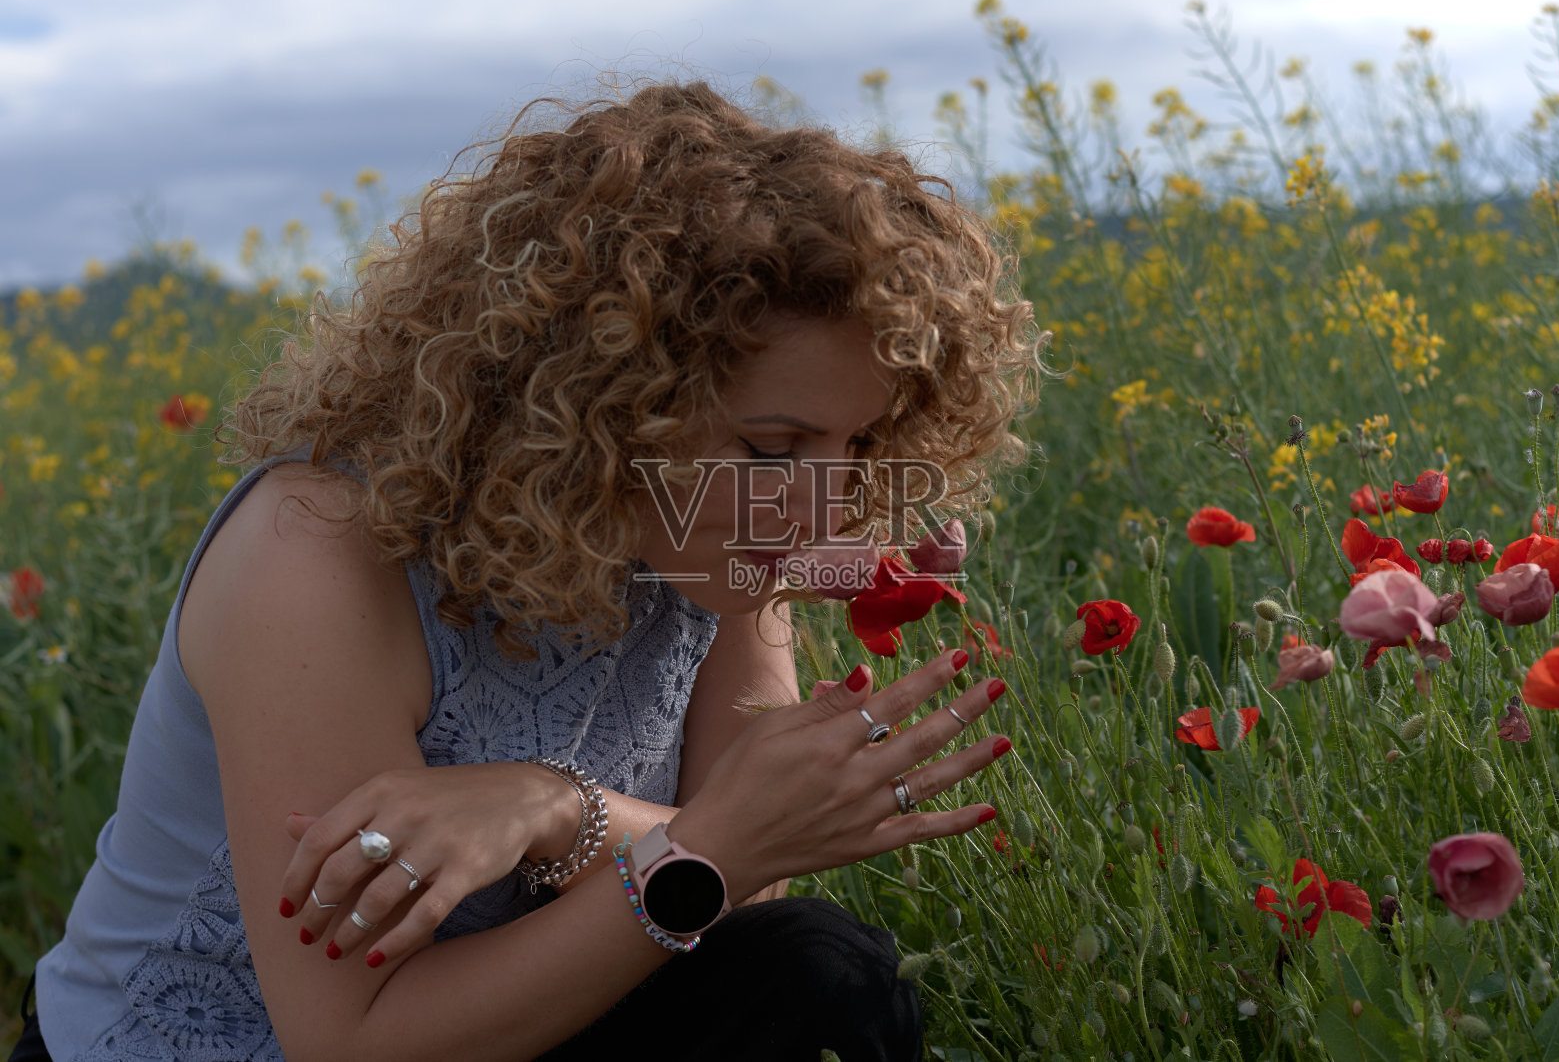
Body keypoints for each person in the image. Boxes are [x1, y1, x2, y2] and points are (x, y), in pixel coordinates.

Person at [14, 79, 1043, 1061]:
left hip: (515, 1025)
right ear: (603, 397)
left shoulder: (721, 534)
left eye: (857, 445)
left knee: (816, 972)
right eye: (774, 446)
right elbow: (353, 1039)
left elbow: (739, 883)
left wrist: (554, 808)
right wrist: (713, 837)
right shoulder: (319, 556)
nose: (825, 506)